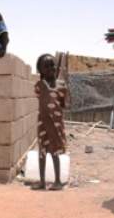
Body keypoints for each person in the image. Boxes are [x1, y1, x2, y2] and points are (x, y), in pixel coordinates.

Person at [31, 54, 67, 191]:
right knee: (42, 152)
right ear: (40, 70)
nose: (50, 68)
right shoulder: (39, 86)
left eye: (52, 65)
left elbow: (63, 104)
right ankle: (42, 181)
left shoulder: (62, 86)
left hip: (56, 125)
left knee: (55, 151)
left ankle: (57, 181)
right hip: (42, 123)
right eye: (46, 66)